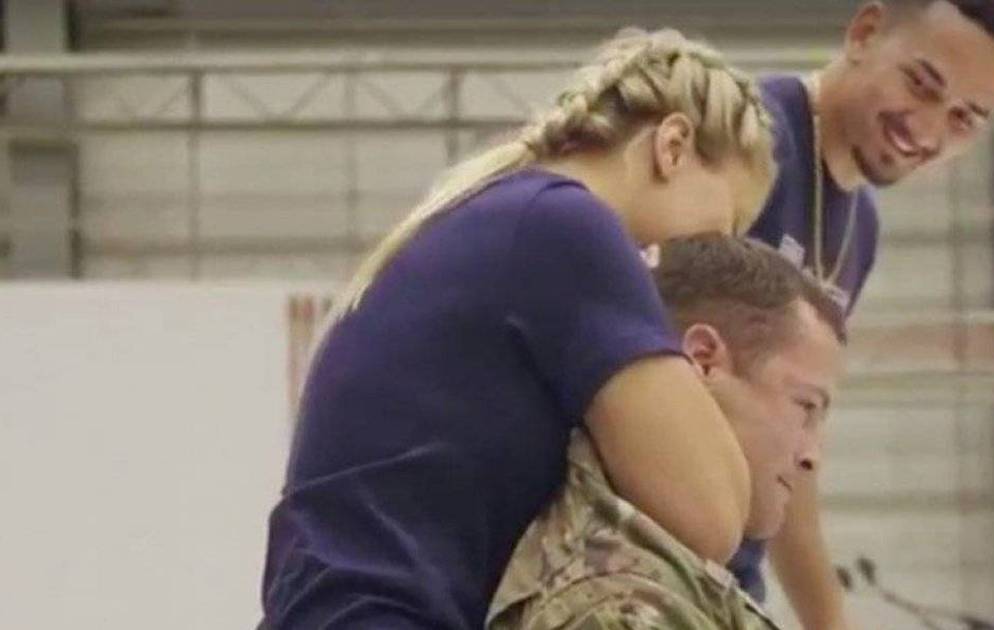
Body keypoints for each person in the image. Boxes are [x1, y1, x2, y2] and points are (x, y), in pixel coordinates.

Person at [260, 28, 777, 629]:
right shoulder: (566, 226)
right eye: (725, 225)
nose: (717, 252)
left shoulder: (490, 217)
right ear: (673, 146)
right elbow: (712, 512)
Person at [741, 1, 994, 627]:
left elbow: (792, 448)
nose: (926, 130)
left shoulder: (860, 231)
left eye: (964, 119)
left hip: (720, 576)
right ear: (865, 33)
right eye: (921, 85)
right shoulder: (751, 142)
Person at [488, 234, 845, 630]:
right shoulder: (620, 610)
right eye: (805, 406)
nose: (812, 456)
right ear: (703, 359)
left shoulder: (674, 576)